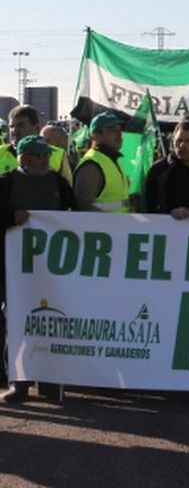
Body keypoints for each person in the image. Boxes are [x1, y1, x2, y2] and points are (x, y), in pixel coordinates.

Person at [0, 135, 76, 402]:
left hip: (52, 271)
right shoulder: (6, 184)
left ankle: (50, 382)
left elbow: (76, 216)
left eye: (46, 155)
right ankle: (19, 382)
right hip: (15, 271)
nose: (44, 160)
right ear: (23, 158)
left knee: (52, 322)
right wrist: (10, 218)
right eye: (38, 155)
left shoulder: (59, 183)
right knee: (18, 323)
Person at [0, 105, 73, 185]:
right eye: (11, 126)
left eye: (21, 125)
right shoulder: (1, 153)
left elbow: (67, 190)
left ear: (36, 128)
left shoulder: (58, 155)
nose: (14, 130)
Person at [73, 111, 129, 212]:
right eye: (112, 130)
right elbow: (82, 207)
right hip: (102, 227)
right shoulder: (91, 166)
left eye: (119, 130)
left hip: (118, 226)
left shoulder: (111, 160)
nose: (119, 134)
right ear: (95, 135)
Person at [145, 118, 189, 214]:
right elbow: (150, 207)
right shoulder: (159, 171)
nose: (182, 145)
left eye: (188, 141)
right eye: (179, 140)